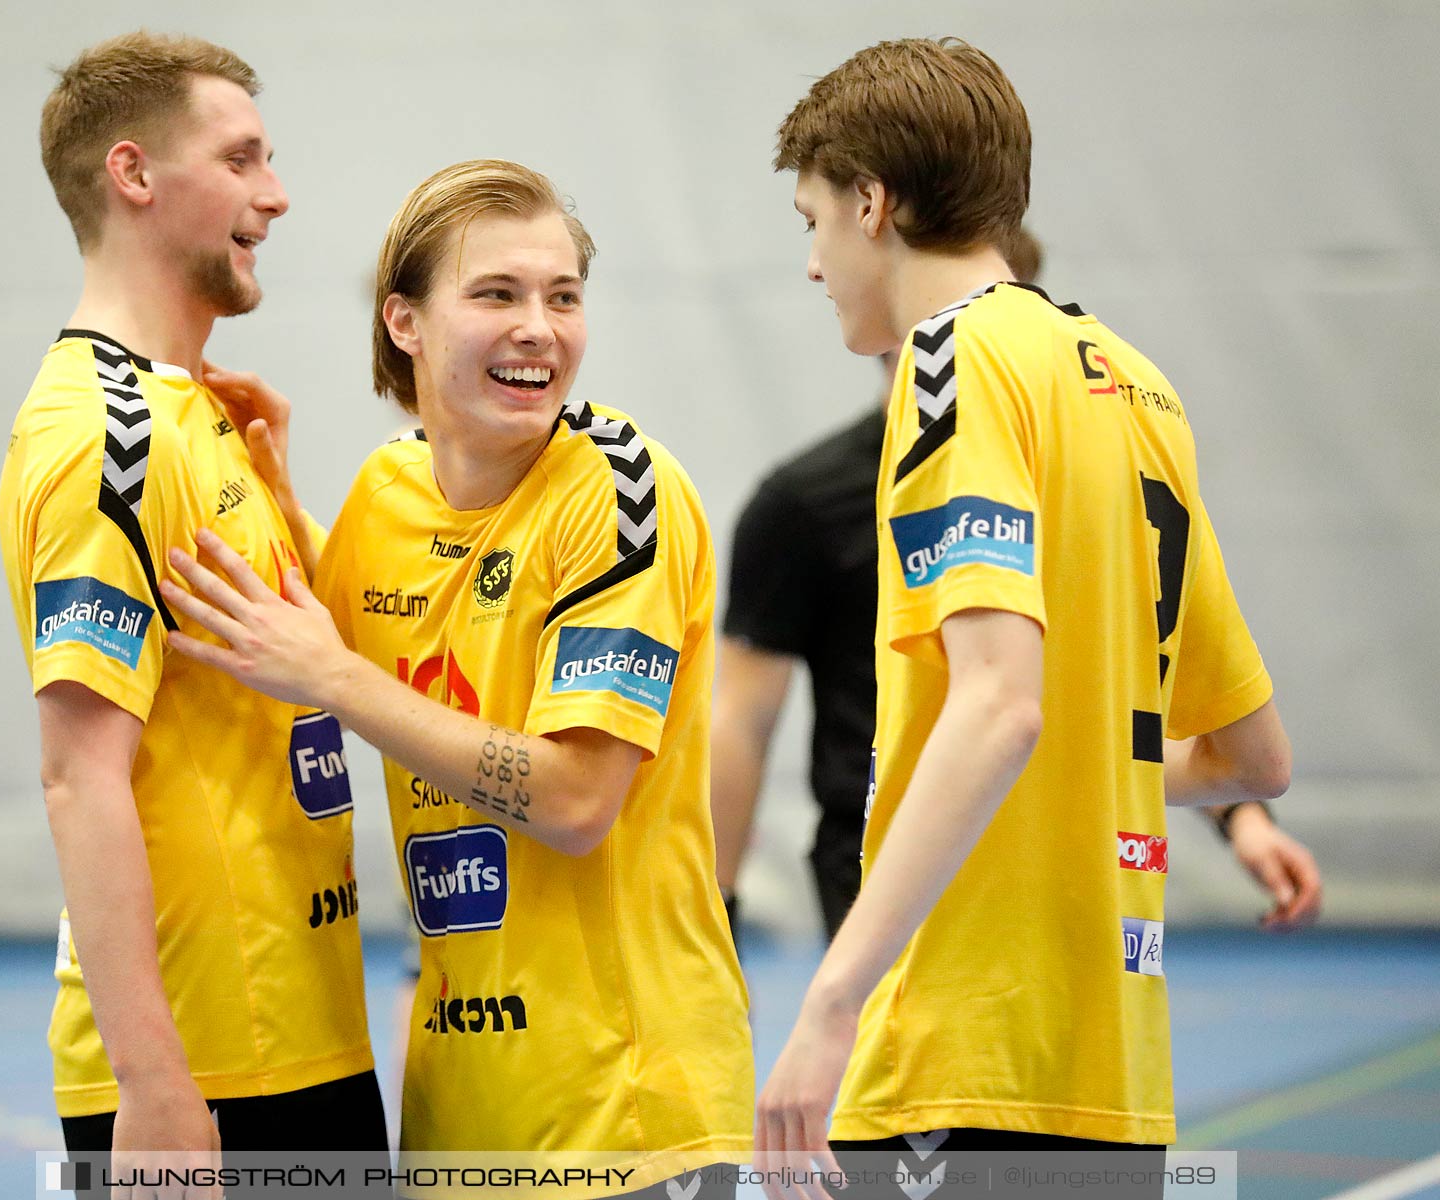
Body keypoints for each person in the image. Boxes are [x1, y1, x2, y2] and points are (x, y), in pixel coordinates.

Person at [752, 36, 1293, 1192]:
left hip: (960, 1055)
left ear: (871, 202)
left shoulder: (949, 362)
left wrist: (831, 1002)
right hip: (1116, 1075)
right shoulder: (1137, 381)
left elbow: (1000, 708)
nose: (811, 263)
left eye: (811, 220)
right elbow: (1252, 754)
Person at [162, 159, 753, 1196]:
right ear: (406, 322)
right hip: (458, 1122)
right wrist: (275, 502)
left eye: (564, 296)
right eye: (498, 295)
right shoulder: (388, 491)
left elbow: (574, 799)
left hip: (631, 1120)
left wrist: (336, 680)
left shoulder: (619, 494)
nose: (542, 327)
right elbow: (326, 637)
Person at [0, 30, 384, 1190]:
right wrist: (157, 1087)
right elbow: (80, 772)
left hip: (300, 1038)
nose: (277, 193)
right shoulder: (99, 436)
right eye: (243, 159)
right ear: (133, 175)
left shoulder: (199, 412)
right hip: (215, 1073)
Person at [712, 228, 1321, 943]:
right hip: (880, 865)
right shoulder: (803, 504)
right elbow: (741, 724)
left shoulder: (1082, 467)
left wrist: (1240, 814)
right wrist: (719, 916)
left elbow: (1128, 682)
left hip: (1060, 857)